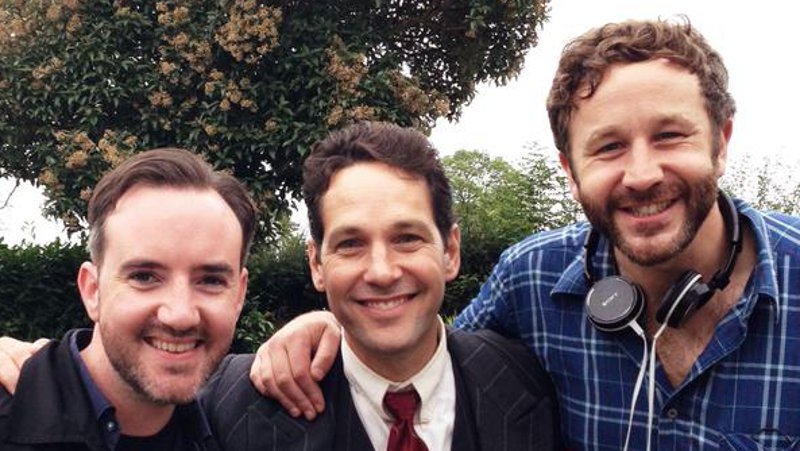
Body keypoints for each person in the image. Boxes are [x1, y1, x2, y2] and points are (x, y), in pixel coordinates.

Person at [229, 17, 800, 450]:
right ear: (570, 170)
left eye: (671, 135)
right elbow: (418, 347)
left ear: (722, 141)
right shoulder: (532, 279)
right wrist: (327, 322)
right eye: (608, 147)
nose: (642, 174)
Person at [198, 121, 560, 450]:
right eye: (350, 244)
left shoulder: (529, 381)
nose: (382, 272)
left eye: (406, 238)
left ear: (450, 251)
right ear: (317, 263)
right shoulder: (233, 406)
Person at [0, 148, 256, 450]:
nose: (180, 315)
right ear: (92, 291)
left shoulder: (237, 424)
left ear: (239, 294)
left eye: (211, 281)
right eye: (144, 277)